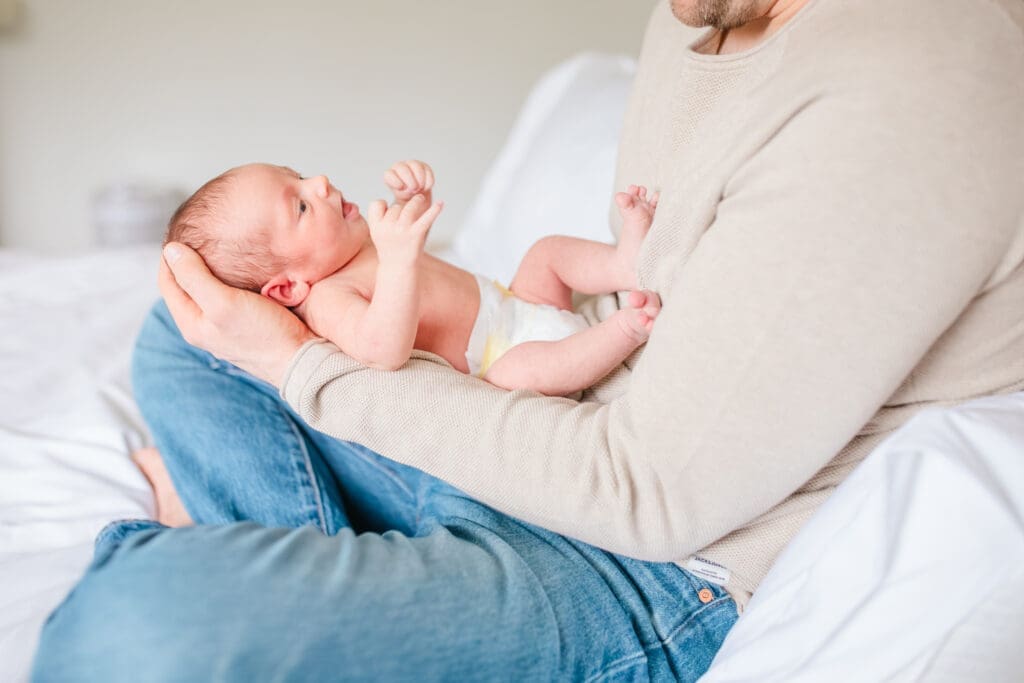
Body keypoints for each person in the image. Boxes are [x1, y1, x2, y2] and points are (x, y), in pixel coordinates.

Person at [32, 0, 1023, 681]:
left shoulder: (907, 72)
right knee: (184, 317)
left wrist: (298, 366)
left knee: (133, 628)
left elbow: (654, 493)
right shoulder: (700, 18)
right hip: (550, 443)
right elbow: (602, 314)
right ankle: (334, 574)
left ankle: (284, 566)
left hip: (660, 568)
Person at [165, 160, 662, 395]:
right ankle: (624, 330)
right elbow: (383, 349)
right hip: (502, 354)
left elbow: (411, 246)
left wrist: (414, 203)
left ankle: (622, 264)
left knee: (546, 252)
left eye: (298, 175)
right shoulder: (328, 300)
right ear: (287, 288)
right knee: (519, 379)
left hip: (519, 303)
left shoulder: (358, 244)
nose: (319, 183)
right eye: (299, 204)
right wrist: (399, 258)